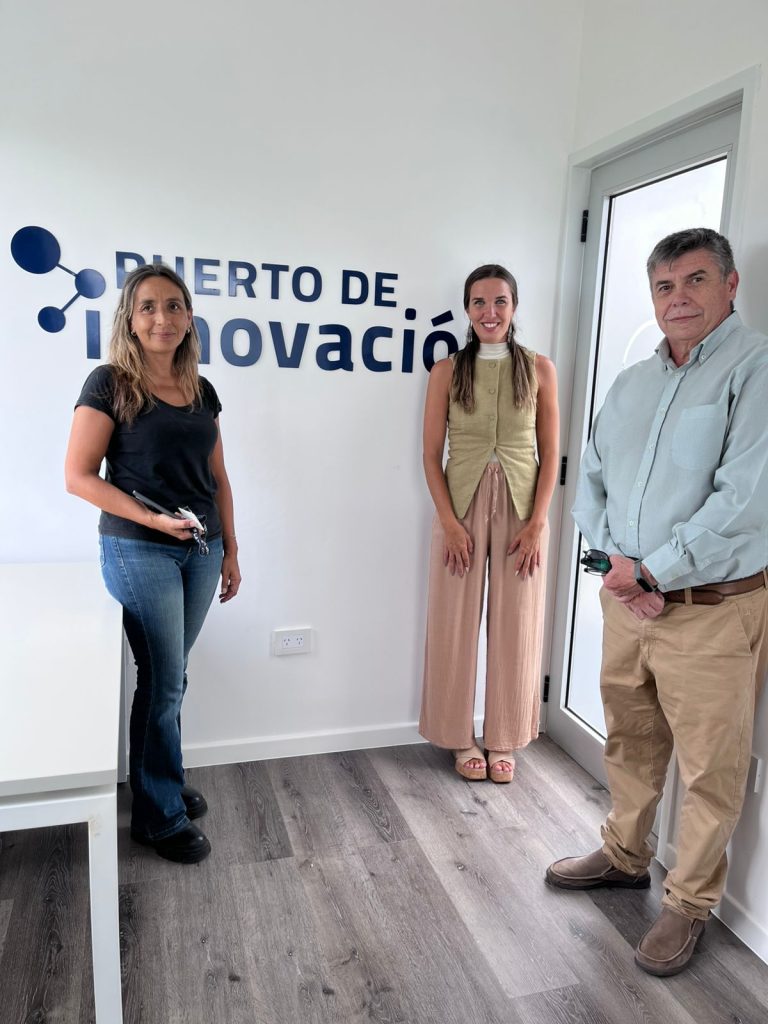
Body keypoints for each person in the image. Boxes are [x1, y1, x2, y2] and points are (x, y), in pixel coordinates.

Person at [546, 228, 768, 976]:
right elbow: (592, 479)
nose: (678, 299)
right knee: (630, 738)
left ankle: (689, 903)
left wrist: (652, 574)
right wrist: (619, 567)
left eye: (696, 281)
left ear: (730, 285)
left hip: (711, 610)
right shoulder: (633, 383)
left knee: (711, 767)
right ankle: (624, 855)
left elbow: (744, 500)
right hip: (627, 602)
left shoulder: (756, 368)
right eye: (665, 286)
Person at [65, 263, 241, 864]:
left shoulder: (201, 390)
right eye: (148, 307)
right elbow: (78, 477)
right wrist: (153, 520)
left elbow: (218, 478)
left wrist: (231, 549)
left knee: (173, 676)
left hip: (200, 549)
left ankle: (158, 779)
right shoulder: (110, 383)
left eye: (173, 306)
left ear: (189, 318)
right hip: (139, 548)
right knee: (163, 679)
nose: (161, 317)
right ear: (131, 319)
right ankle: (157, 816)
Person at [419, 264, 559, 782]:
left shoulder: (540, 369)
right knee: (453, 623)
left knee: (517, 623)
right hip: (459, 508)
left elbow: (551, 453)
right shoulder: (447, 371)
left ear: (514, 307)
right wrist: (450, 523)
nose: (489, 312)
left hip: (523, 512)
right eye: (479, 302)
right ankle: (459, 737)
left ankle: (505, 737)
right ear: (467, 309)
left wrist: (538, 523)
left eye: (500, 301)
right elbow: (430, 455)